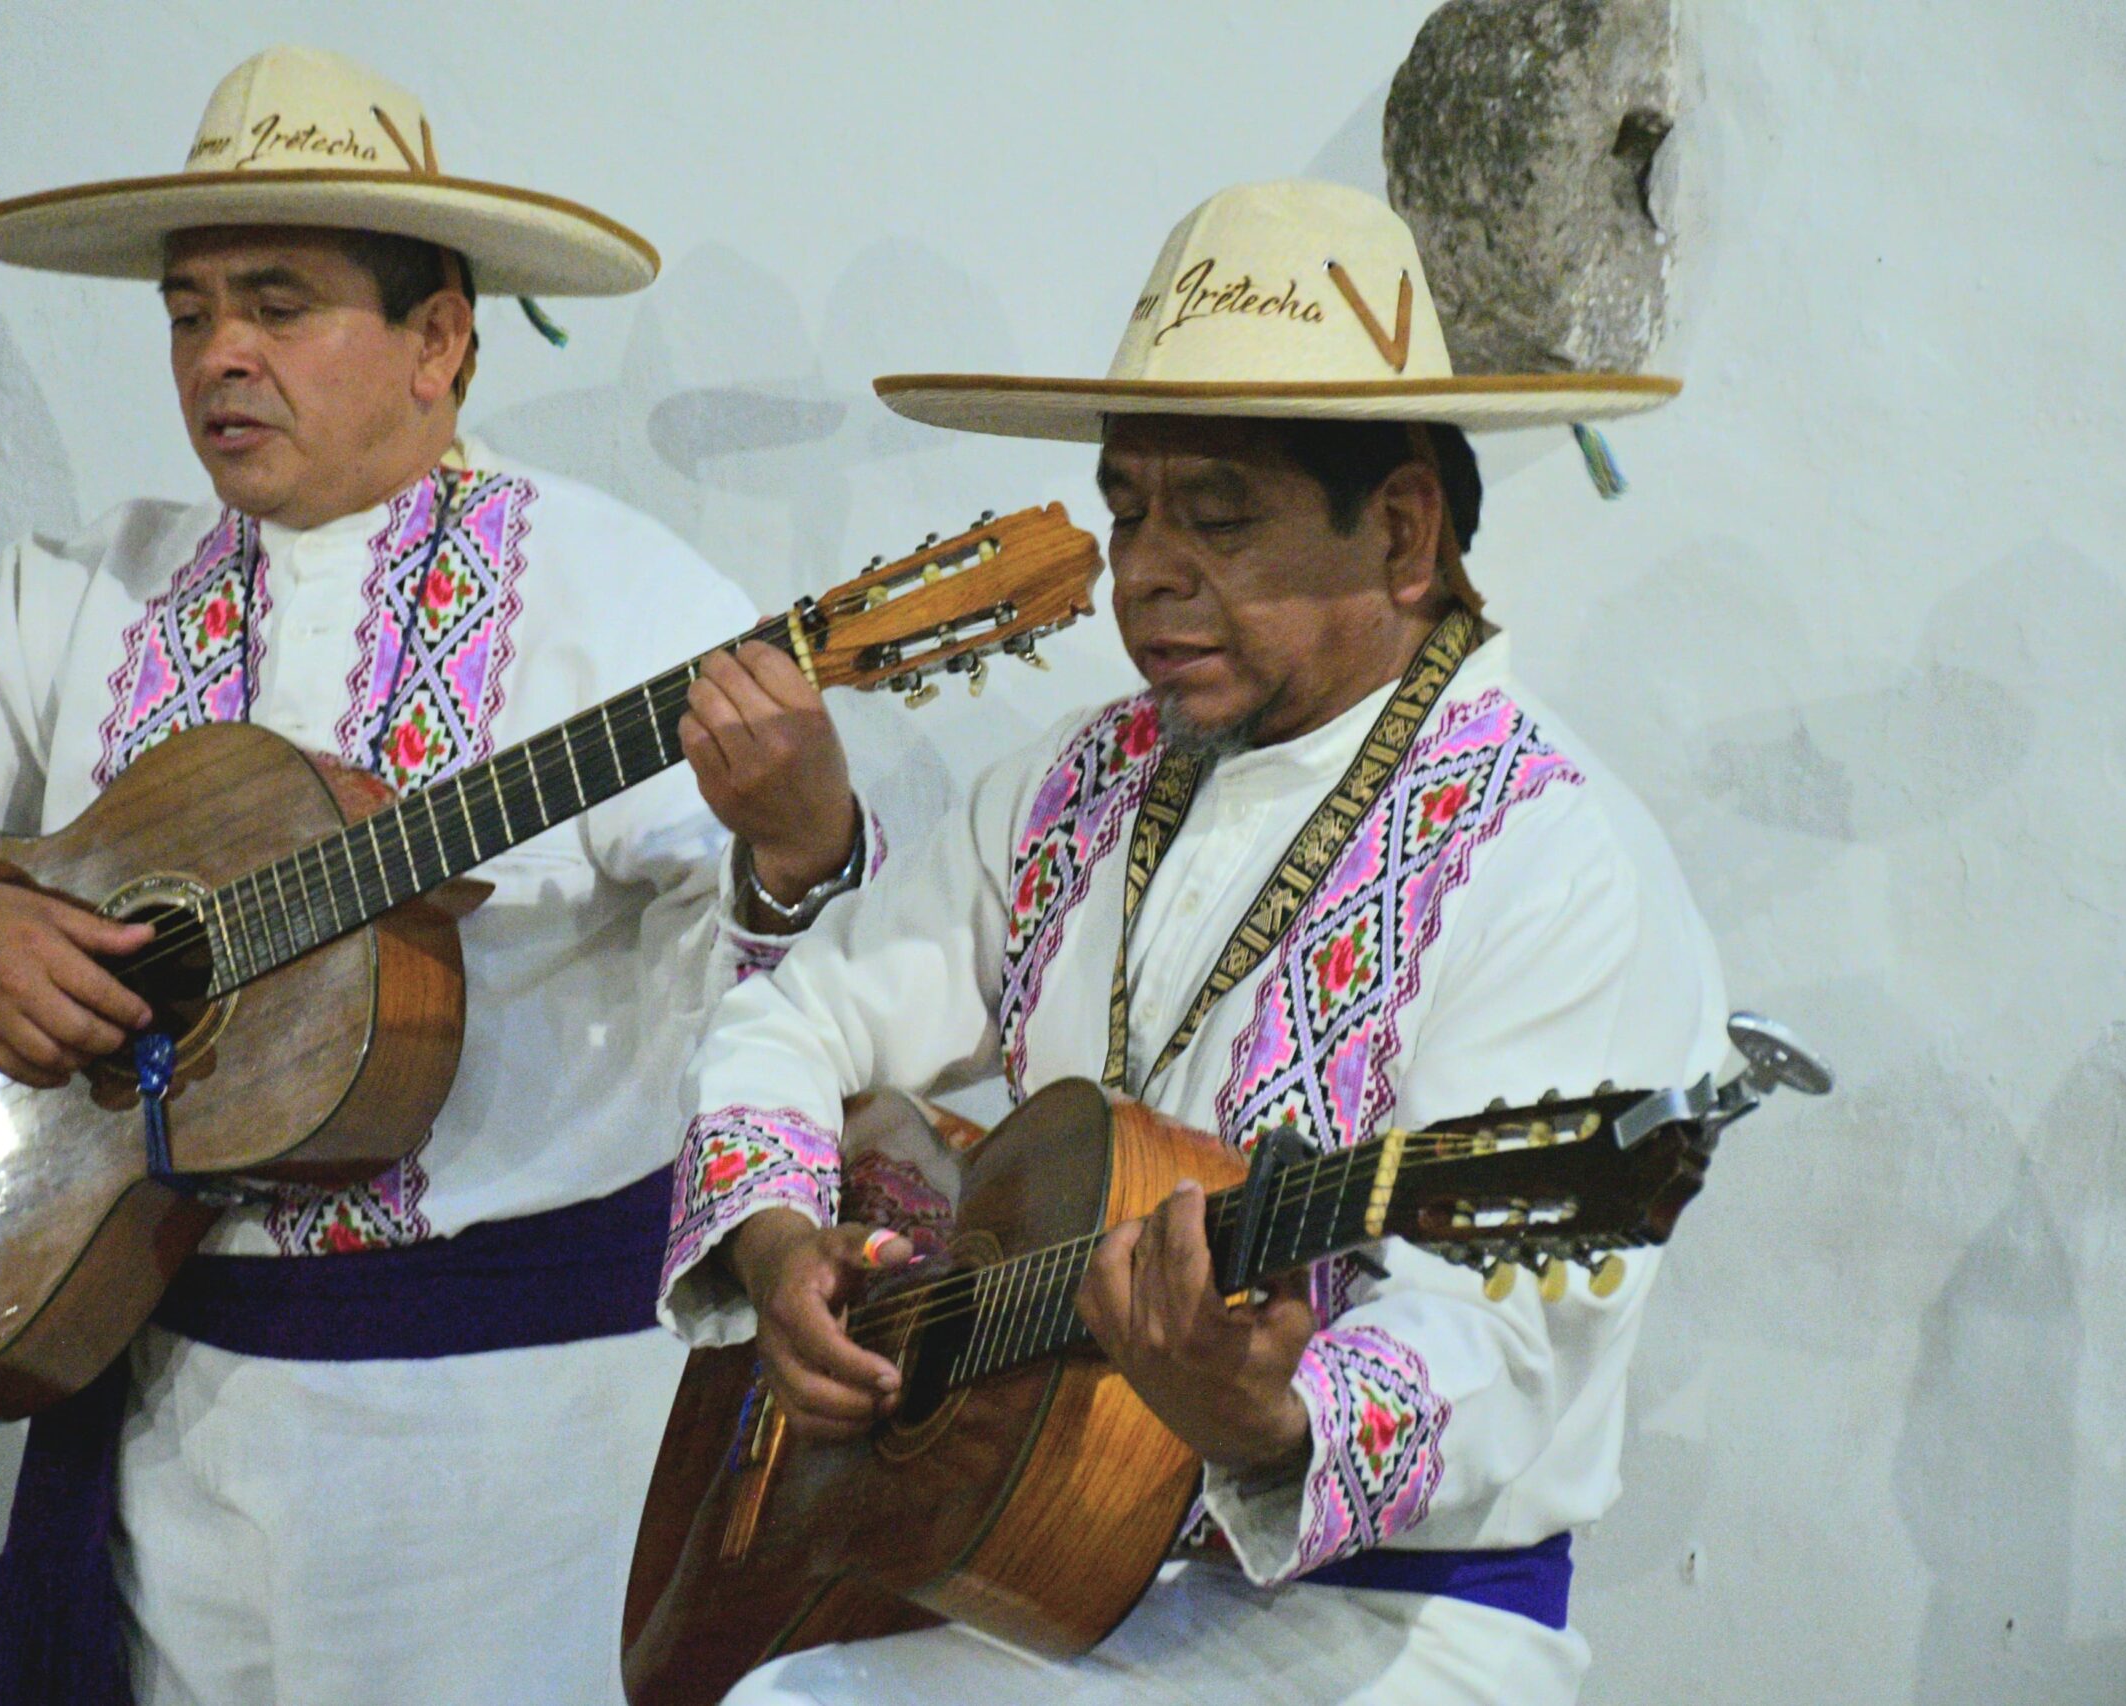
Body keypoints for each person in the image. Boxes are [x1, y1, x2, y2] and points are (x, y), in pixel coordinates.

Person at [0, 44, 870, 1706]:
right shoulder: (91, 591)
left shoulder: (620, 600)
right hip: (160, 1434)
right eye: (187, 309)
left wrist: (796, 846)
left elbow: (793, 1003)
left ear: (439, 337)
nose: (220, 353)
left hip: (506, 1469)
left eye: (279, 303)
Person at [658, 179, 1727, 1705]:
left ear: (1405, 529)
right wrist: (778, 1252)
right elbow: (796, 1018)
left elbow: (1505, 1344)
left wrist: (1271, 1414)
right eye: (1130, 507)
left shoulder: (1556, 861)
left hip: (1383, 1626)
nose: (1146, 568)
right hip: (1044, 1562)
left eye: (1218, 516)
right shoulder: (1077, 780)